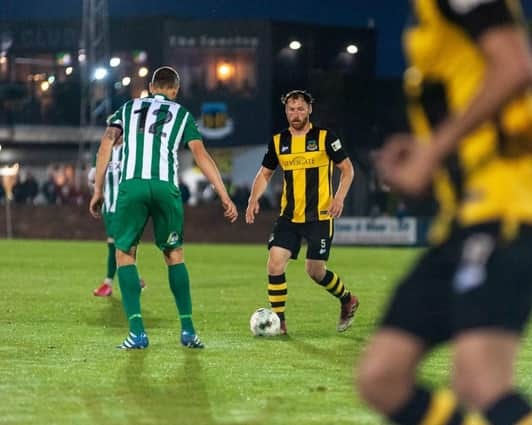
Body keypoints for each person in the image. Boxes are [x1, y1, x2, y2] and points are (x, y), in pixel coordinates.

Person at [356, 2, 532, 425]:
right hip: (462, 221)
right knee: (382, 376)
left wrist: (431, 152)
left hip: (508, 204)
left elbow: (517, 68)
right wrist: (424, 147)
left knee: (479, 380)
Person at [89, 66, 238, 349]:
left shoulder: (128, 107)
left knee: (125, 255)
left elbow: (106, 145)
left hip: (131, 186)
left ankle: (137, 333)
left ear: (151, 86)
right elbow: (201, 155)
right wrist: (223, 194)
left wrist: (98, 189)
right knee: (174, 255)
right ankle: (188, 331)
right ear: (175, 90)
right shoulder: (181, 114)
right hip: (165, 187)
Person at [245, 89, 357, 335]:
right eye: (291, 109)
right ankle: (279, 323)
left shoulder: (326, 137)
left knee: (315, 271)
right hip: (289, 217)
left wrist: (339, 198)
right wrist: (254, 198)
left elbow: (347, 169)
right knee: (275, 264)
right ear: (286, 111)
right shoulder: (278, 141)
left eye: (300, 109)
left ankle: (347, 299)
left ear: (309, 110)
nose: (295, 114)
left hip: (319, 216)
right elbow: (265, 173)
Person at [89, 143, 145, 297]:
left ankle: (109, 283)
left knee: (119, 243)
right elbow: (92, 176)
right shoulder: (104, 151)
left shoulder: (131, 149)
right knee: (119, 244)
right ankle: (134, 278)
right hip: (109, 207)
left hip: (126, 206)